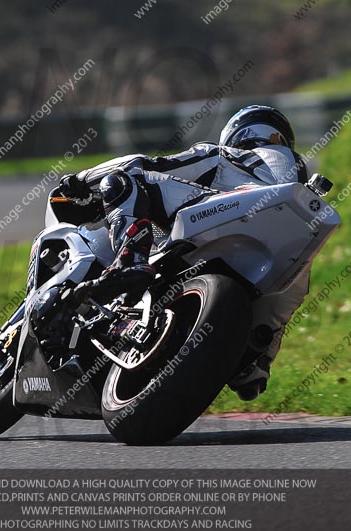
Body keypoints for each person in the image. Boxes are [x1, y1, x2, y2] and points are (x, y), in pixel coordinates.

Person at [56, 105, 312, 401]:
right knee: (288, 294)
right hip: (280, 257)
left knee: (127, 180)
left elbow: (146, 164)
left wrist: (80, 181)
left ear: (237, 134)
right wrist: (258, 363)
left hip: (225, 213)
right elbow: (284, 305)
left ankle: (129, 261)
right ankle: (252, 358)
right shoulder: (296, 188)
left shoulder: (228, 155)